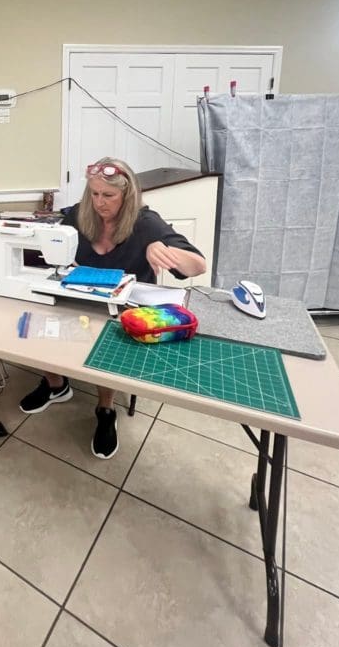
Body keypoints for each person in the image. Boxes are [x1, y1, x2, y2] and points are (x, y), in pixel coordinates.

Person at [19, 157, 206, 460]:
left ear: (126, 195)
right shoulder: (80, 215)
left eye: (108, 195)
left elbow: (197, 265)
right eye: (94, 193)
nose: (99, 202)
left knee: (109, 337)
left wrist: (162, 249)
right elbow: (53, 246)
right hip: (82, 299)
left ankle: (105, 409)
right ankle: (55, 385)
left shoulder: (145, 223)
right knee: (40, 317)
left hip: (122, 310)